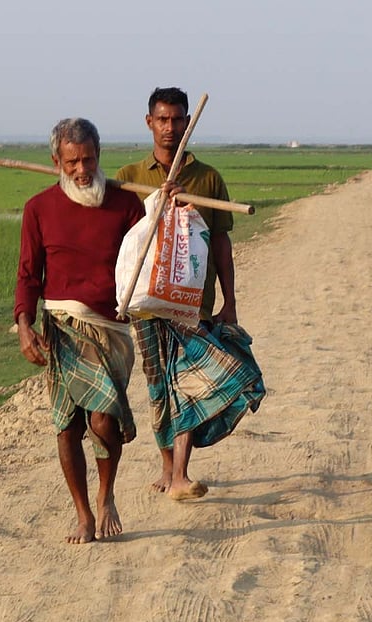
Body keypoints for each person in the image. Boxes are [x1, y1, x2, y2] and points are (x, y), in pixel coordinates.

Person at [115, 86, 265, 501]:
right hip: (146, 304)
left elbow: (220, 242)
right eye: (162, 120)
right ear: (149, 123)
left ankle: (180, 473)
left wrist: (229, 300)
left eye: (178, 119)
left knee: (187, 381)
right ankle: (168, 467)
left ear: (187, 122)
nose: (170, 127)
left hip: (190, 301)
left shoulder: (207, 178)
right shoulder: (129, 177)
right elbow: (122, 244)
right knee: (158, 383)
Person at [14, 117, 145, 543]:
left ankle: (106, 494)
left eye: (88, 159)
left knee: (104, 419)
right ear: (57, 161)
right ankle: (84, 513)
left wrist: (168, 207)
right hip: (62, 327)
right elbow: (29, 274)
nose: (82, 169)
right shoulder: (39, 209)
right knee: (67, 425)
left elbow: (146, 262)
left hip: (111, 328)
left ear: (99, 155)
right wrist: (23, 324)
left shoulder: (127, 204)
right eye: (72, 162)